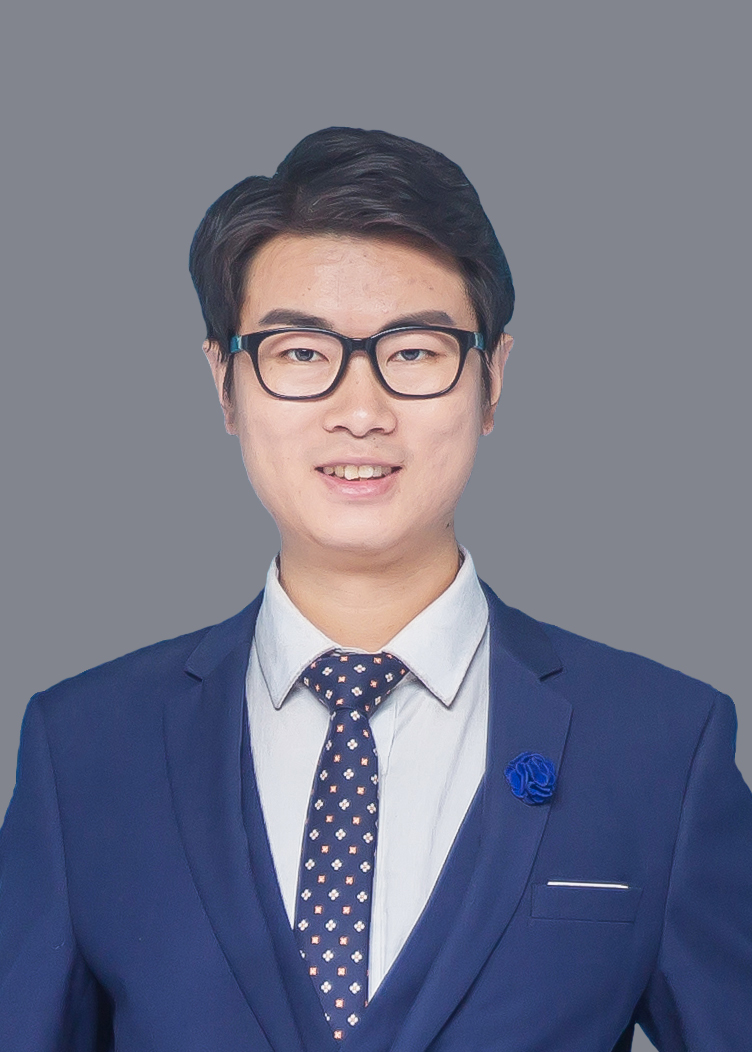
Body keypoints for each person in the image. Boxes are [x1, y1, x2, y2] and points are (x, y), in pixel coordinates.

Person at [0, 127, 750, 1052]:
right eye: (300, 353)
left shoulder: (663, 746)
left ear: (492, 380)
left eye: (416, 352)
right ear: (226, 384)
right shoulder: (83, 750)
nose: (361, 411)